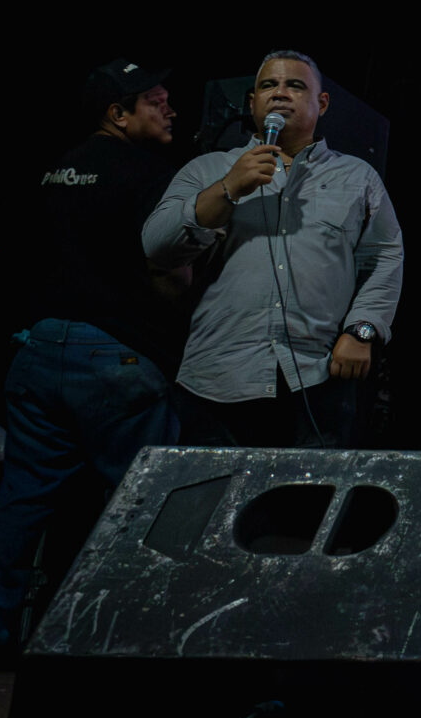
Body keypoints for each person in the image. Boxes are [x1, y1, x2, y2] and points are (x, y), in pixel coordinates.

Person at [0, 60, 189, 665]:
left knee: (21, 501)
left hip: (39, 350)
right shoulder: (152, 175)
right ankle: (137, 641)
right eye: (155, 101)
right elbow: (167, 271)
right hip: (115, 355)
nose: (170, 109)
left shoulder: (51, 171)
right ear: (118, 114)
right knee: (145, 503)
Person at [143, 51, 404, 448]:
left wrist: (362, 330)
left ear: (322, 103)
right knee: (214, 489)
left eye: (295, 85)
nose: (280, 93)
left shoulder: (357, 177)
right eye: (268, 85)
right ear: (252, 103)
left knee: (308, 491)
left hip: (319, 376)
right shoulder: (207, 169)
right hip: (218, 376)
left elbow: (384, 258)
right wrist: (228, 188)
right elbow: (158, 247)